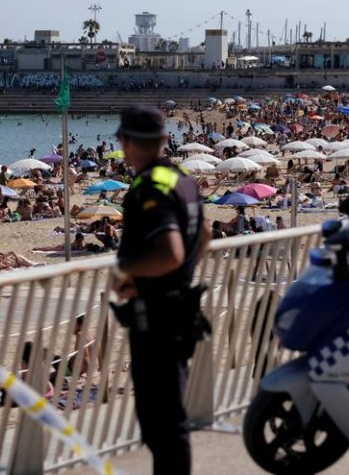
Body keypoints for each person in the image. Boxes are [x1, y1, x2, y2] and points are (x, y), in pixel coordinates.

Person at [111, 105, 211, 475]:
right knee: (169, 420)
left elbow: (170, 252)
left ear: (126, 142)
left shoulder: (149, 186)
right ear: (164, 140)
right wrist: (183, 277)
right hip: (180, 312)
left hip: (156, 319)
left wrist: (126, 269)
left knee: (162, 425)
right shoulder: (182, 179)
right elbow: (205, 235)